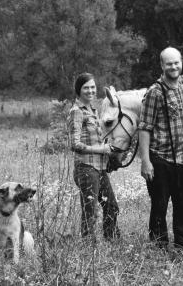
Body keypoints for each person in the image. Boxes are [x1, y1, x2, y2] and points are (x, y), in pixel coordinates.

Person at [138, 47, 183, 251]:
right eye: (169, 63)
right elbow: (144, 128)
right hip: (161, 160)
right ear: (162, 66)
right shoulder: (154, 93)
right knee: (159, 207)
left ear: (181, 62)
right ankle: (159, 248)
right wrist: (145, 162)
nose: (173, 66)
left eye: (176, 62)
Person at [69, 72, 120, 242]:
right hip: (86, 168)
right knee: (90, 212)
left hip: (99, 167)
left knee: (111, 206)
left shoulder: (94, 110)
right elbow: (74, 144)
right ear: (79, 90)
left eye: (92, 87)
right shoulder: (77, 112)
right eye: (86, 88)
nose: (90, 91)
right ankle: (88, 250)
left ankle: (111, 240)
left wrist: (110, 150)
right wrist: (101, 150)